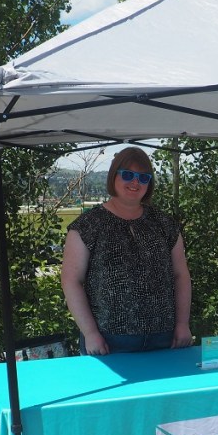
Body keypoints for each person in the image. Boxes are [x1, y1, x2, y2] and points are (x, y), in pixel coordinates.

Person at [61, 147, 193, 355]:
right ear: (114, 176)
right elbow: (71, 281)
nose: (135, 182)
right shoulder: (87, 225)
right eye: (128, 175)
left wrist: (182, 324)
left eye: (143, 177)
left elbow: (181, 275)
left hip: (164, 337)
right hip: (108, 340)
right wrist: (90, 333)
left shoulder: (164, 223)